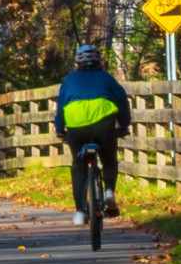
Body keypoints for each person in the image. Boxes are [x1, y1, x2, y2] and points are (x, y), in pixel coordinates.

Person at [54, 44, 131, 226]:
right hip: (104, 126)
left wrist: (60, 129)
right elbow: (122, 101)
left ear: (77, 63)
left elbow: (60, 107)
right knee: (109, 160)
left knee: (79, 166)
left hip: (76, 127)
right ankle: (109, 191)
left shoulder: (70, 79)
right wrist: (124, 125)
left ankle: (80, 212)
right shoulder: (107, 78)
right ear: (100, 62)